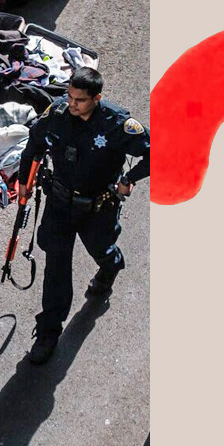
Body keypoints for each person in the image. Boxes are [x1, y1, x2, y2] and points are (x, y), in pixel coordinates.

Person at [22, 67, 149, 365]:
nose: (72, 104)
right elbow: (34, 145)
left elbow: (153, 151)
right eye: (69, 96)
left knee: (102, 251)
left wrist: (129, 178)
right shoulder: (56, 114)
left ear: (97, 98)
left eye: (80, 99)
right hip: (59, 203)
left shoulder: (117, 124)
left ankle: (110, 268)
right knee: (56, 264)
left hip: (98, 207)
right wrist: (23, 183)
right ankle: (49, 331)